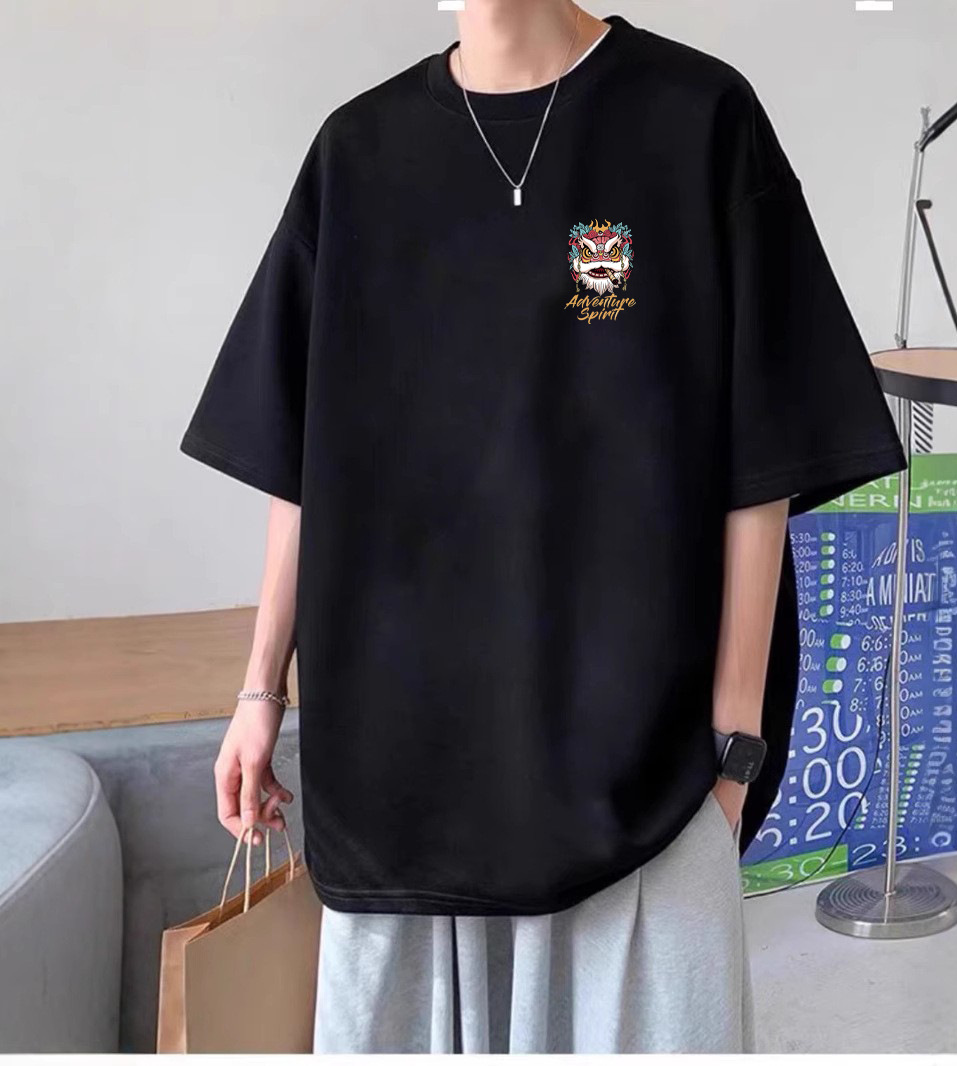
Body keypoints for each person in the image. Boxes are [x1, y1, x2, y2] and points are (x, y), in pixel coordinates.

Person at [180, 2, 907, 1053]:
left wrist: (735, 747)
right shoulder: (359, 150)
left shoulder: (698, 114)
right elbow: (298, 457)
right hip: (397, 763)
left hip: (643, 761)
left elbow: (764, 460)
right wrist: (258, 691)